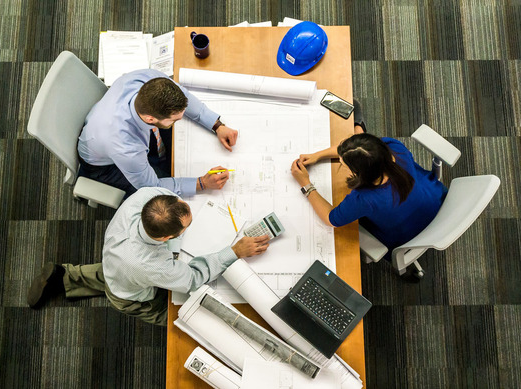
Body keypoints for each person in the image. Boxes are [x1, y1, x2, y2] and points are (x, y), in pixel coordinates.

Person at [27, 187, 270, 326]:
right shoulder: (151, 265)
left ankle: (64, 276)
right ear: (166, 238)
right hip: (130, 294)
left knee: (112, 273)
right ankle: (183, 322)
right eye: (186, 227)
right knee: (180, 316)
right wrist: (234, 251)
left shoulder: (148, 197)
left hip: (116, 260)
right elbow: (193, 279)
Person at [290, 100, 447, 257]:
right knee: (355, 114)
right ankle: (359, 126)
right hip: (436, 201)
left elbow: (330, 219)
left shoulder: (364, 199)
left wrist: (306, 184)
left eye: (343, 163)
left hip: (407, 236)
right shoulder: (394, 148)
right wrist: (317, 156)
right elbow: (360, 150)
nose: (340, 161)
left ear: (360, 173)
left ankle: (359, 126)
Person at [78, 69, 239, 198]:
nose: (180, 120)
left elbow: (185, 97)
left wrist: (217, 125)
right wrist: (202, 183)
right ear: (150, 118)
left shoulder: (148, 79)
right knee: (164, 198)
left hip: (106, 126)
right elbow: (152, 186)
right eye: (175, 120)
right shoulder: (125, 147)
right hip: (104, 166)